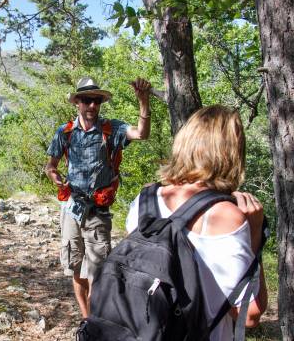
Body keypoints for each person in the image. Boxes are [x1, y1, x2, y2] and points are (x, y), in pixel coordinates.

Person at [125, 105, 268, 340]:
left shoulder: (145, 200)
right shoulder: (225, 216)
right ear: (231, 152)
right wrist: (254, 234)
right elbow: (249, 314)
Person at [45, 76, 152, 318]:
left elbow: (142, 133)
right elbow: (50, 164)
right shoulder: (65, 132)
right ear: (77, 103)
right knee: (75, 267)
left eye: (96, 101)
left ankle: (96, 319)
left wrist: (143, 102)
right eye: (86, 100)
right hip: (72, 208)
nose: (92, 105)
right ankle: (87, 320)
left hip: (98, 213)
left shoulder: (112, 129)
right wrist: (54, 175)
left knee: (97, 271)